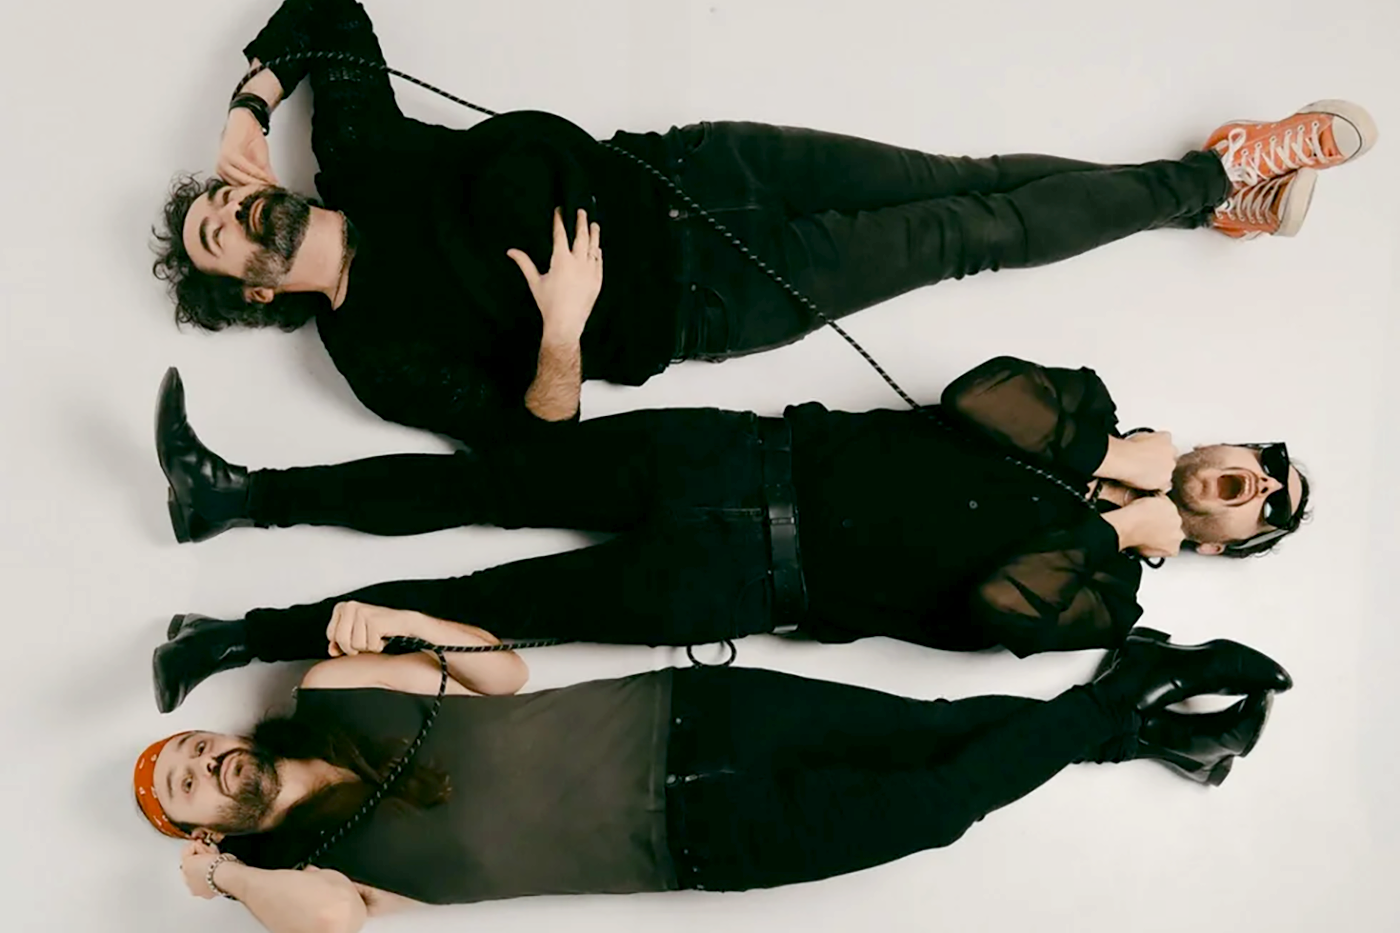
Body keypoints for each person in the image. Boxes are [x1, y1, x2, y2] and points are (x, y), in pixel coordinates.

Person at [150, 0, 1377, 443]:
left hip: (696, 168)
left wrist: (250, 106)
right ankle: (1219, 175)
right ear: (249, 289)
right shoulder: (375, 359)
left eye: (226, 195)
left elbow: (328, 11)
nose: (238, 208)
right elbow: (531, 442)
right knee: (971, 233)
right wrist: (562, 330)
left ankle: (1209, 201)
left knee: (968, 175)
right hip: (716, 298)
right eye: (219, 233)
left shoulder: (355, 154)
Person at [152, 355, 1309, 712]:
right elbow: (977, 398)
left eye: (1264, 504)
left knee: (480, 609)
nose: (1250, 479)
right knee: (484, 483)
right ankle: (235, 495)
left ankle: (233, 640)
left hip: (739, 581)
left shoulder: (1103, 604)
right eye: (1260, 461)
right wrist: (1108, 456)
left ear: (1219, 544)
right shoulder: (1084, 414)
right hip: (736, 456)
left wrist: (1116, 535)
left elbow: (999, 603)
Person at [135, 603, 1292, 932]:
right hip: (700, 845)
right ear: (207, 828)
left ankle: (1159, 727)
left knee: (939, 732)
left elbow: (504, 677)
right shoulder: (306, 879)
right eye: (186, 786)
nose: (205, 762)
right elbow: (332, 925)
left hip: (692, 719)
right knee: (940, 805)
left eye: (192, 748)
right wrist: (221, 880)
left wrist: (409, 626)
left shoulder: (328, 693)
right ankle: (1136, 698)